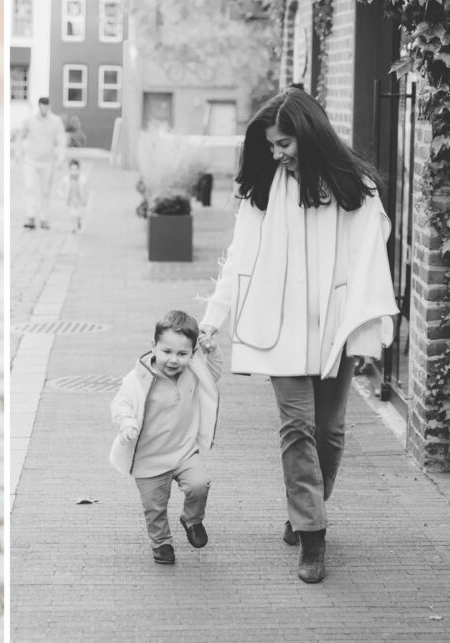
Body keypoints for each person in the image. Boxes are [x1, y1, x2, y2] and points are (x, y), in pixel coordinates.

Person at [198, 87, 398, 583]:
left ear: (308, 135)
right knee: (296, 429)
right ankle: (313, 536)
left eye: (284, 143)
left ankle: (305, 508)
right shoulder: (263, 191)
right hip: (279, 329)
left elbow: (372, 265)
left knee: (329, 433)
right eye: (270, 146)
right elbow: (239, 260)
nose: (276, 153)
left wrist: (368, 328)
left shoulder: (358, 191)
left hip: (334, 330)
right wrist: (212, 319)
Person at [109, 311, 221, 565]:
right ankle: (161, 544)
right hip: (148, 458)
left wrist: (211, 352)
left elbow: (213, 373)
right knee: (155, 507)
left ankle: (192, 519)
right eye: (167, 351)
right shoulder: (138, 378)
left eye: (183, 354)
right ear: (154, 347)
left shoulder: (193, 372)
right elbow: (121, 404)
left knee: (199, 485)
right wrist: (126, 422)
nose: (174, 359)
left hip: (183, 451)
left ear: (193, 353)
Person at [19, 96, 66, 230]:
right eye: (42, 106)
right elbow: (21, 136)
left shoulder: (56, 121)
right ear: (39, 106)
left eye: (46, 107)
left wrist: (60, 158)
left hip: (48, 161)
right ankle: (31, 216)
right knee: (30, 188)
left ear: (49, 107)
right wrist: (19, 153)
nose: (44, 109)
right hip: (30, 160)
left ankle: (44, 218)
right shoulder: (30, 120)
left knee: (45, 191)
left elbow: (61, 140)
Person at [60, 158, 90, 233]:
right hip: (71, 199)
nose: (74, 171)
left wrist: (85, 200)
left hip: (79, 199)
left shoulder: (83, 179)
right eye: (72, 169)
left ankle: (78, 220)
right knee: (72, 214)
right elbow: (61, 189)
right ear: (69, 169)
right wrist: (64, 196)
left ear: (79, 169)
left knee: (79, 213)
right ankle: (74, 227)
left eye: (75, 169)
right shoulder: (66, 179)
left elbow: (86, 191)